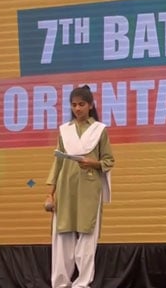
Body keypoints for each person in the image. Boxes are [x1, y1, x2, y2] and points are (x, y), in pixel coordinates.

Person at [44, 85, 115, 288]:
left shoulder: (99, 130)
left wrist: (92, 163)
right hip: (66, 188)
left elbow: (109, 160)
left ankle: (82, 284)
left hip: (89, 188)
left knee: (87, 236)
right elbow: (58, 162)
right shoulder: (64, 131)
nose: (77, 109)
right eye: (74, 105)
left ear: (90, 105)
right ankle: (60, 283)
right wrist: (51, 193)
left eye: (81, 104)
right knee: (62, 235)